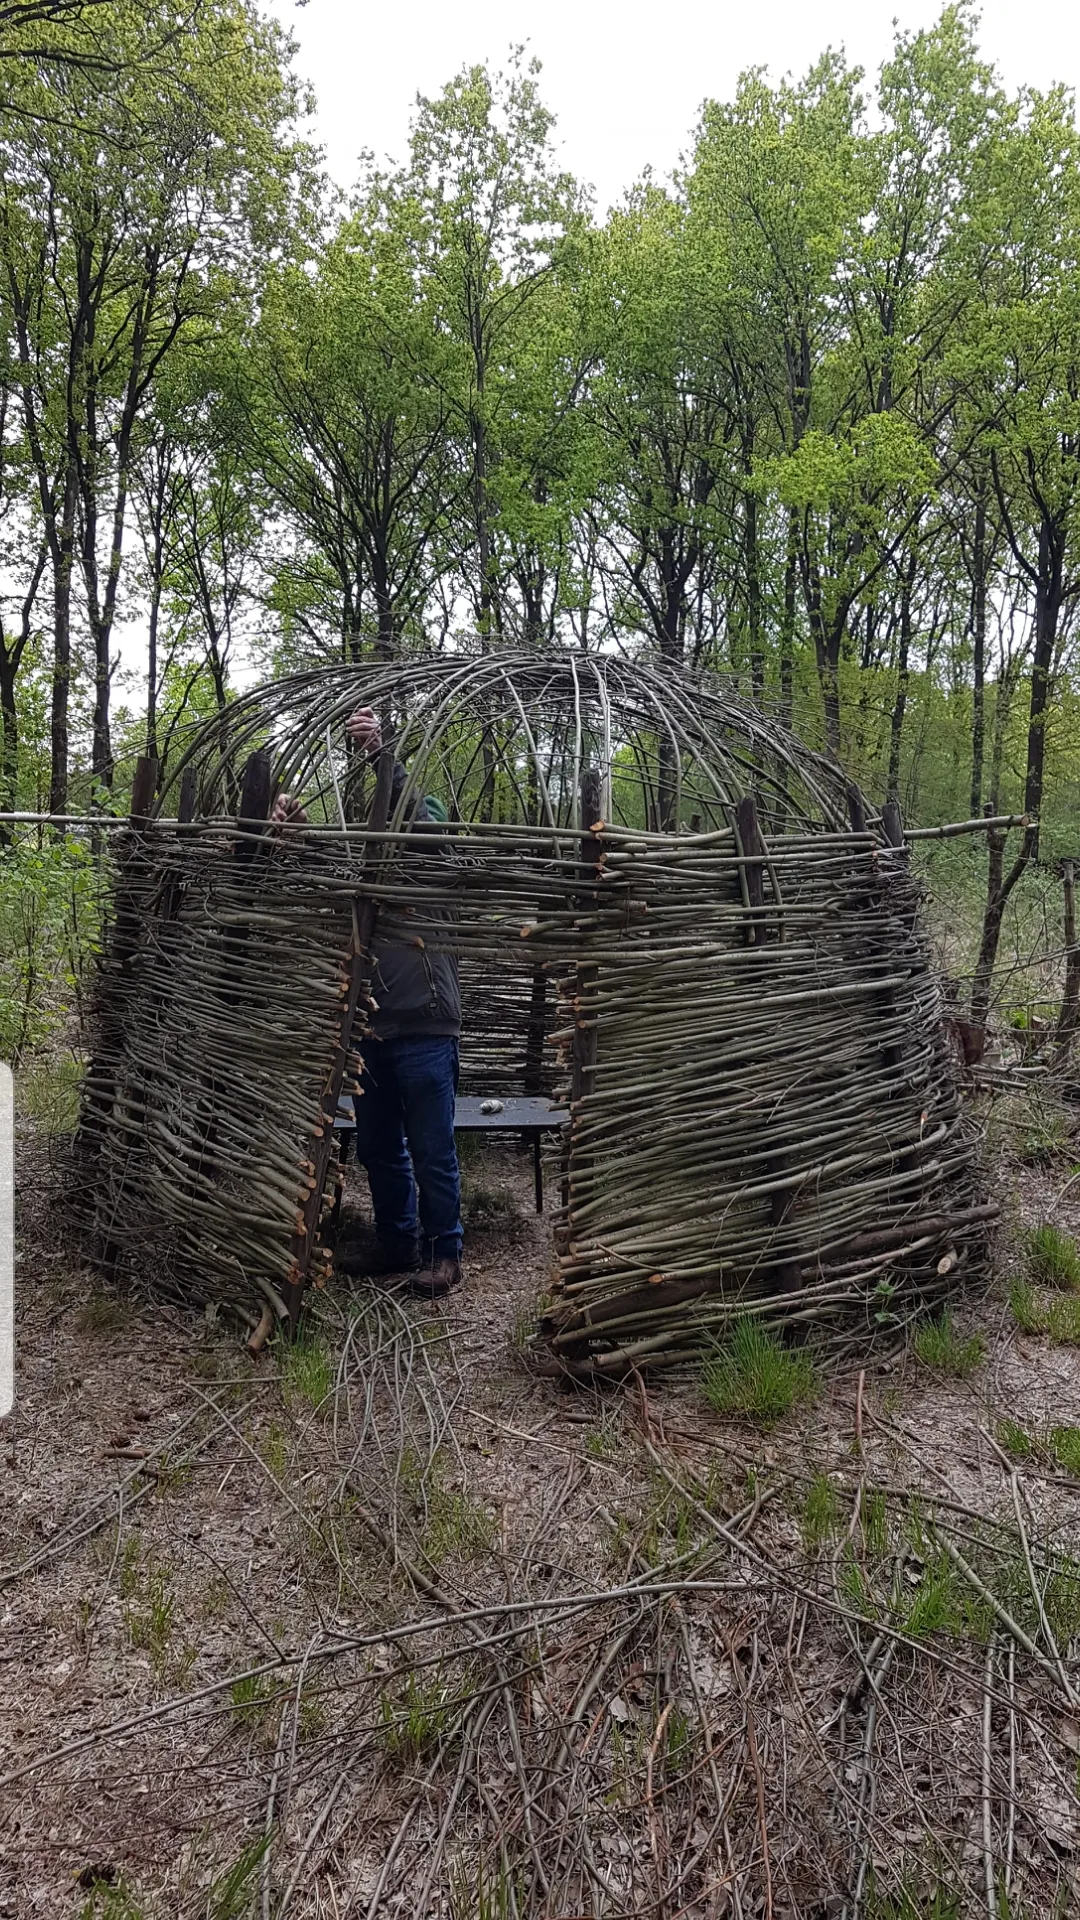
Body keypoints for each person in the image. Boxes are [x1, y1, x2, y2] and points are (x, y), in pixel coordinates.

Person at [272, 705, 463, 1298]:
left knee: (432, 1147)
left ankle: (444, 1252)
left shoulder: (431, 863)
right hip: (374, 1029)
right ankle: (397, 1242)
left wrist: (382, 756)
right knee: (380, 1146)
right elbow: (326, 875)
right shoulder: (368, 873)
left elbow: (419, 820)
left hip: (428, 1027)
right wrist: (297, 828)